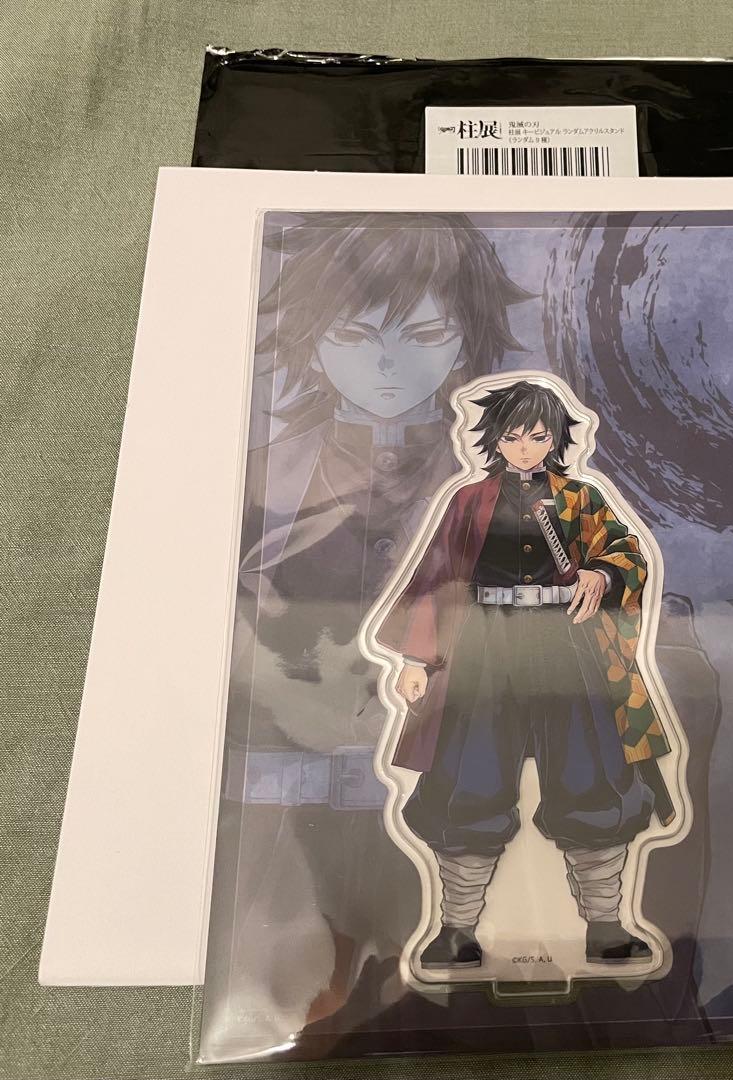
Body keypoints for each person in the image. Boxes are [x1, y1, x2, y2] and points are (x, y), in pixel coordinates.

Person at [202, 213, 534, 1053]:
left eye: (422, 335)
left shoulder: (499, 480)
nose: (387, 365)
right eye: (353, 336)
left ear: (466, 340)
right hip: (286, 766)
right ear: (312, 341)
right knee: (292, 972)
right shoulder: (265, 473)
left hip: (443, 760)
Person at [376, 380, 674, 969]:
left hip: (567, 641)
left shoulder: (581, 497)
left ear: (556, 438)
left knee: (591, 773)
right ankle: (456, 929)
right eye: (513, 436)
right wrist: (416, 658)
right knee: (470, 775)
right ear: (494, 439)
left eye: (537, 436)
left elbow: (627, 552)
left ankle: (605, 925)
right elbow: (437, 575)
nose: (525, 448)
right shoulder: (470, 500)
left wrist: (600, 575)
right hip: (484, 646)